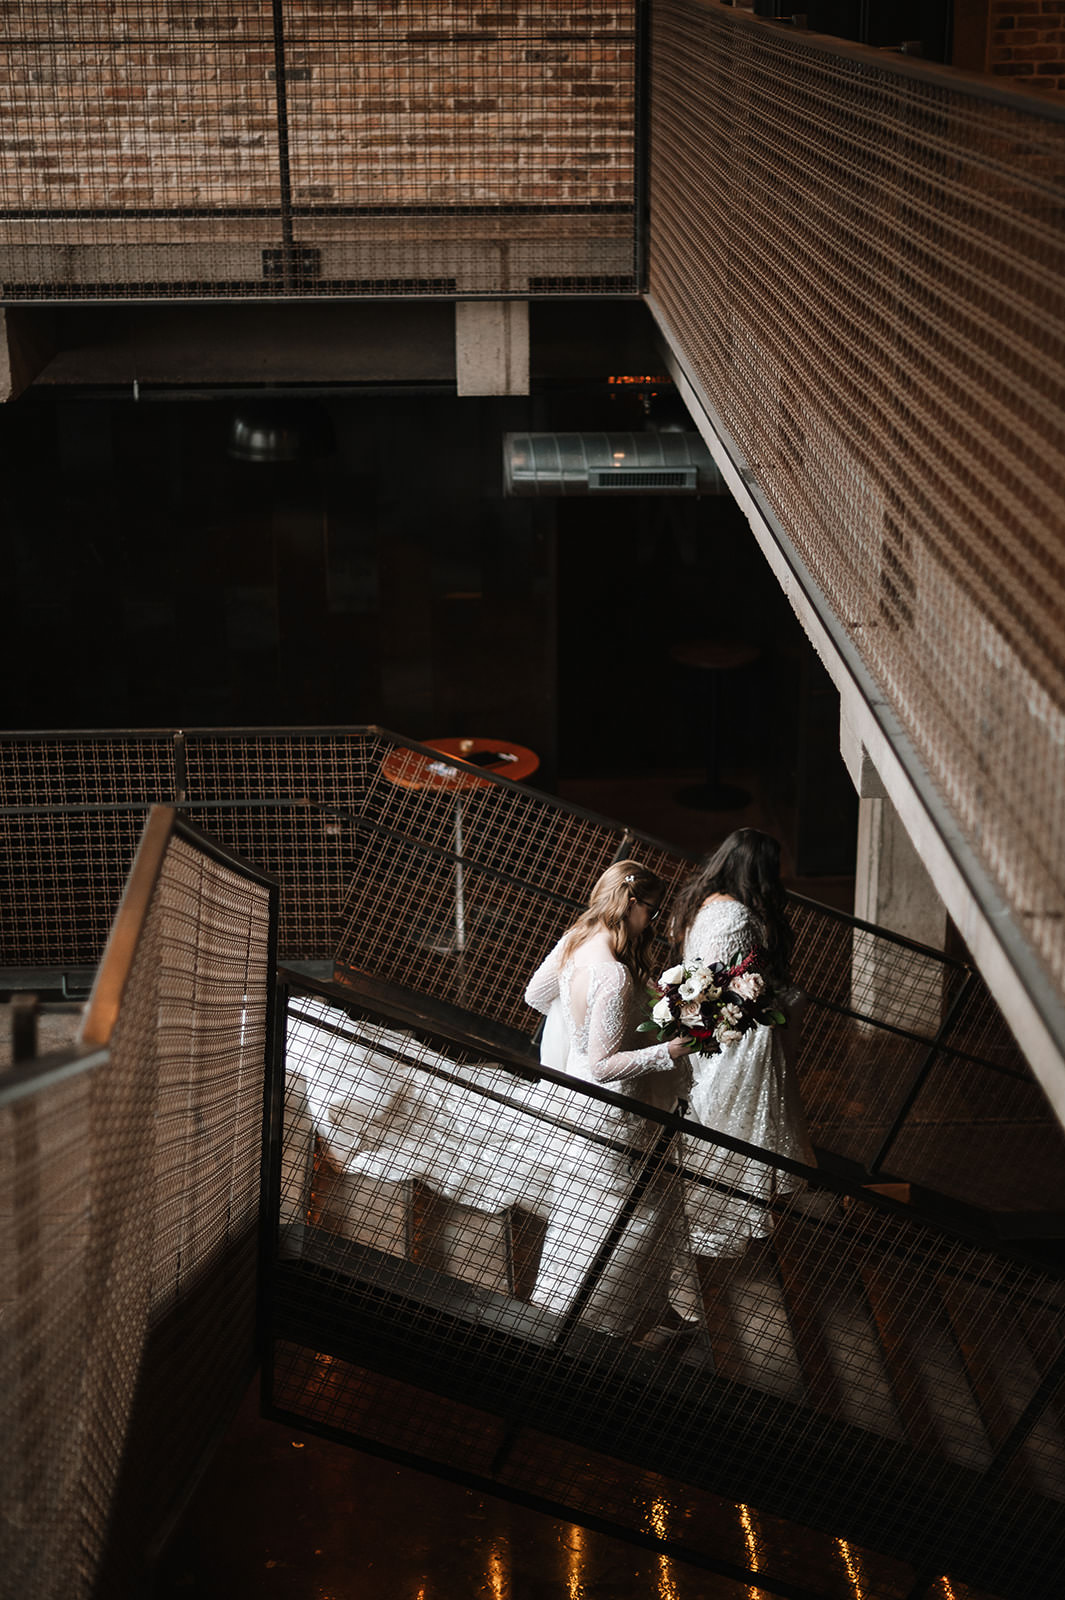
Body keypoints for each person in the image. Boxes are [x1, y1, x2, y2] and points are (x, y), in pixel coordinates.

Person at [523, 860, 707, 1347]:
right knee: (632, 1214)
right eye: (652, 910)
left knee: (585, 1210)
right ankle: (605, 1322)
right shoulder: (613, 976)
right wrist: (668, 1051)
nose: (653, 920)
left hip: (576, 1095)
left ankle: (583, 1309)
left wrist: (579, 1027)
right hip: (613, 1110)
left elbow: (535, 995)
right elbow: (605, 1065)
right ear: (630, 903)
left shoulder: (575, 941)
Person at [667, 829, 815, 1258]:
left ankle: (717, 1211)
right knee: (731, 1121)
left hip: (724, 1028)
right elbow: (715, 977)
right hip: (737, 1036)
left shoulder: (704, 903)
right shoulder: (733, 914)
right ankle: (716, 1218)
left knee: (725, 1117)